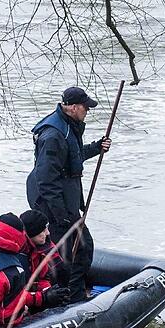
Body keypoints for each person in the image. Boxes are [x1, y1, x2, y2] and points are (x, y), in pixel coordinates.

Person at [26, 86, 112, 302]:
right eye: (85, 107)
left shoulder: (68, 126)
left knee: (83, 248)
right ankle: (66, 299)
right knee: (66, 254)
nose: (88, 111)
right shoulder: (53, 135)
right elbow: (46, 180)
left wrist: (96, 147)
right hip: (53, 204)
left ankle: (74, 294)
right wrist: (61, 215)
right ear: (73, 107)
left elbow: (71, 157)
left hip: (65, 200)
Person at [19, 209, 69, 309]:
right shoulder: (18, 256)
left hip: (31, 295)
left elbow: (42, 277)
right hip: (18, 301)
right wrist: (43, 297)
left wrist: (50, 292)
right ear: (33, 232)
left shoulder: (39, 249)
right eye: (43, 230)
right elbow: (13, 297)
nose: (48, 233)